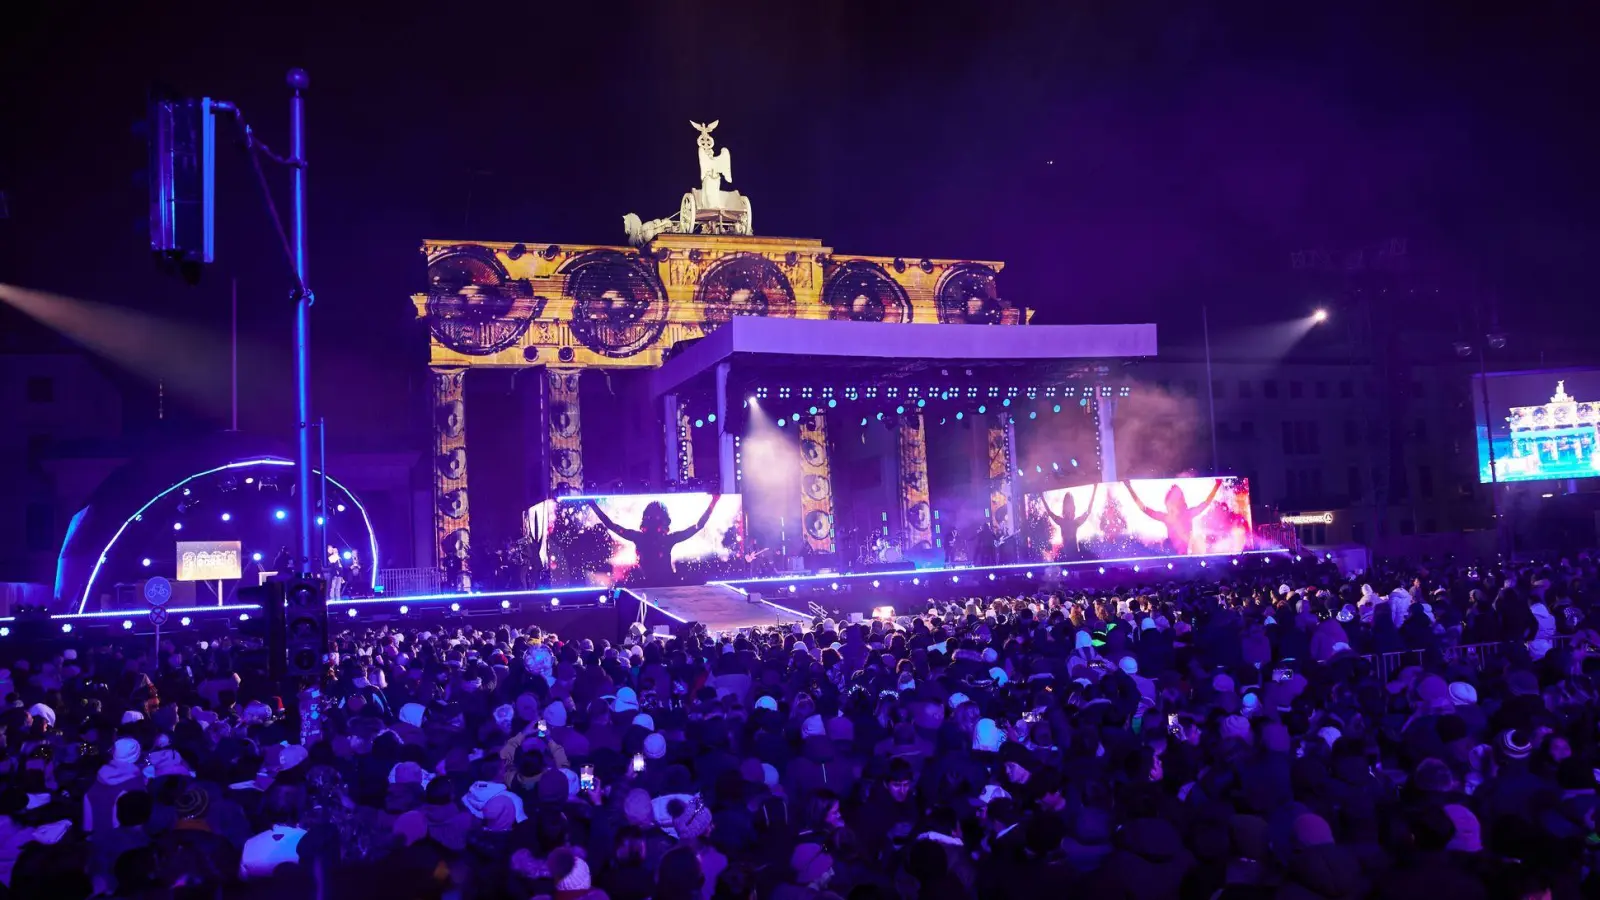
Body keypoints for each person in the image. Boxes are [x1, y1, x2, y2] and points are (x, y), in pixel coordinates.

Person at [589, 496, 721, 584]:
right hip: (654, 585)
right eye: (654, 519)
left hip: (663, 585)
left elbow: (611, 525)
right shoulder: (663, 539)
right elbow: (698, 526)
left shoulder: (643, 538)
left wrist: (592, 504)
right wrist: (714, 501)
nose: (655, 524)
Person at [1122, 479, 1222, 555]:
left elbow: (1206, 503)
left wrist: (1217, 485)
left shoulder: (1187, 514)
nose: (1174, 501)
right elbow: (1144, 509)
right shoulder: (1168, 518)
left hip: (1185, 556)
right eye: (1173, 499)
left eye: (1177, 498)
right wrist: (1129, 487)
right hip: (1171, 556)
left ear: (1181, 500)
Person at [1041, 483, 1098, 561]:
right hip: (1066, 557)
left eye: (1070, 507)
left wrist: (1095, 489)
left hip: (1075, 556)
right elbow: (1049, 513)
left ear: (1072, 509)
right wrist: (1041, 497)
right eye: (1067, 506)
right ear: (1064, 508)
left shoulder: (1073, 523)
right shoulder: (1063, 522)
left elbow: (1088, 511)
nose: (1068, 511)